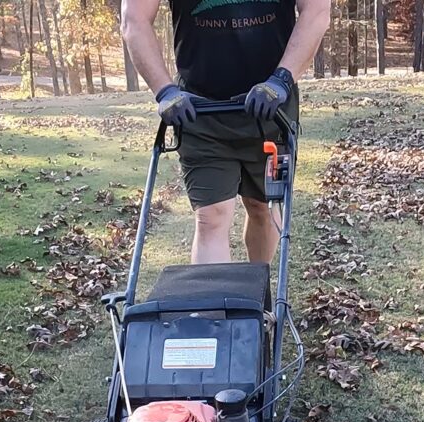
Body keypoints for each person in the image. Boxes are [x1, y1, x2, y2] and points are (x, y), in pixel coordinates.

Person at [121, 0, 329, 265]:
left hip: (270, 107)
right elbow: (134, 19)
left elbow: (317, 11)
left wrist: (282, 79)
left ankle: (258, 297)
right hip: (199, 109)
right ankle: (215, 305)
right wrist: (165, 90)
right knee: (211, 217)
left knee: (262, 208)